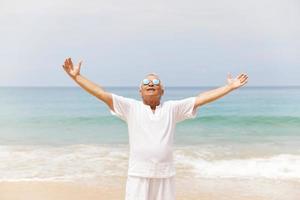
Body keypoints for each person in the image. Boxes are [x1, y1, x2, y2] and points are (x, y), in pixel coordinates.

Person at [62, 57, 248, 200]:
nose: (151, 84)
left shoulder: (172, 108)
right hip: (138, 174)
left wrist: (229, 87)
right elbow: (101, 93)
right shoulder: (130, 107)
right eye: (146, 83)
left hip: (165, 175)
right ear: (140, 91)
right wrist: (77, 77)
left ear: (162, 91)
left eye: (156, 83)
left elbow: (202, 98)